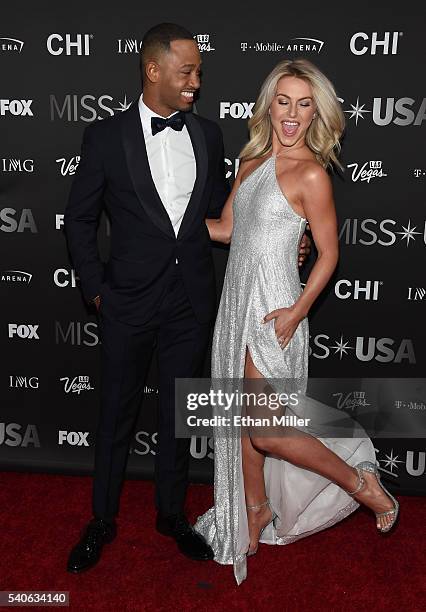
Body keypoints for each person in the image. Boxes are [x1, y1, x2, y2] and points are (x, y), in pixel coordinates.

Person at [64, 21, 312, 573]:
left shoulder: (207, 134)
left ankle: (170, 514)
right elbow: (79, 218)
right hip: (125, 300)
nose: (197, 80)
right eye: (188, 71)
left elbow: (233, 216)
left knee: (178, 413)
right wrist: (96, 290)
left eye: (199, 71)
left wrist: (286, 242)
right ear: (153, 70)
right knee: (115, 416)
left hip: (190, 303)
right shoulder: (106, 137)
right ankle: (102, 519)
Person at [194, 58, 399, 585]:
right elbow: (225, 230)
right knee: (245, 426)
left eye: (303, 104)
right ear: (269, 106)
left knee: (265, 430)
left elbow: (329, 254)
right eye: (283, 101)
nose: (291, 114)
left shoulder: (311, 173)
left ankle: (361, 483)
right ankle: (257, 509)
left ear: (315, 114)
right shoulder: (251, 163)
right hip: (236, 305)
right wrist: (167, 216)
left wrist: (298, 312)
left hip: (276, 309)